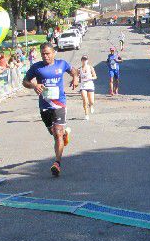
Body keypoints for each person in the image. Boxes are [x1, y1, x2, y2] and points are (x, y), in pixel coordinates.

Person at [22, 43, 79, 177]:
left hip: (59, 104)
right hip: (44, 106)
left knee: (57, 133)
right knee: (53, 132)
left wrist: (75, 78)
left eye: (48, 53)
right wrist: (34, 85)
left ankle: (57, 163)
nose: (45, 56)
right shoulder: (36, 67)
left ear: (54, 53)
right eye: (43, 54)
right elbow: (25, 81)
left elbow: (74, 71)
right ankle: (64, 135)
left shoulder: (61, 64)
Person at [79, 55, 97, 120]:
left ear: (87, 60)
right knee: (85, 99)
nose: (84, 61)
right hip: (83, 86)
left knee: (91, 101)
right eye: (83, 59)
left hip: (90, 85)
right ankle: (86, 114)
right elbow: (78, 77)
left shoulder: (90, 68)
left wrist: (90, 77)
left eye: (85, 60)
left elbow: (95, 76)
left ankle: (91, 106)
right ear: (81, 61)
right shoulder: (80, 69)